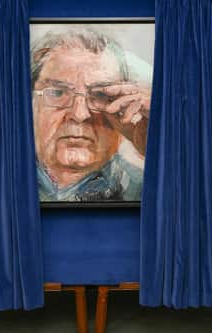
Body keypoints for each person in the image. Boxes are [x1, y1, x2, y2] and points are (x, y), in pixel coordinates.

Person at [31, 27, 151, 202]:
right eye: (57, 93)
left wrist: (159, 149)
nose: (80, 115)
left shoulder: (150, 189)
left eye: (101, 95)